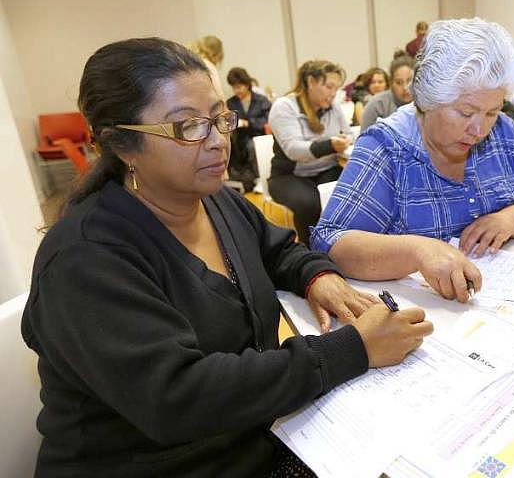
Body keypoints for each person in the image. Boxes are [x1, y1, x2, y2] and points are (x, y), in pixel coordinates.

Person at [21, 37, 432, 477]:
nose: (219, 141)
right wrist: (353, 350)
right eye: (188, 127)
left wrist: (318, 278)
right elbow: (179, 397)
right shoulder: (85, 260)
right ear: (121, 145)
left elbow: (280, 249)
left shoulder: (212, 199)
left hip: (250, 438)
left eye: (220, 118)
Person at [311, 18, 514, 304]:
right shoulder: (387, 149)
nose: (479, 130)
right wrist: (417, 251)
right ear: (426, 100)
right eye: (465, 112)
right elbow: (331, 242)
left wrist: (509, 219)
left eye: (491, 112)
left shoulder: (502, 133)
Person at [268, 60, 352, 245]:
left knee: (350, 192)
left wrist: (346, 139)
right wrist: (329, 145)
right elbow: (294, 150)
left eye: (336, 88)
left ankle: (342, 245)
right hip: (289, 175)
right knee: (309, 204)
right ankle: (312, 251)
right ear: (311, 82)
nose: (333, 93)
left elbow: (349, 133)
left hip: (326, 169)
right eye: (329, 86)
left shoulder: (333, 106)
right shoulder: (285, 106)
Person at [226, 67, 271, 192]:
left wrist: (248, 123)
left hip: (260, 137)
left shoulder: (261, 100)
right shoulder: (231, 103)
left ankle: (260, 179)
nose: (236, 91)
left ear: (247, 84)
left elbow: (268, 122)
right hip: (239, 139)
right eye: (234, 87)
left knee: (252, 146)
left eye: (239, 87)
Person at [360, 54, 415, 129]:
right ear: (391, 83)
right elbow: (364, 139)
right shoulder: (376, 105)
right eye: (399, 82)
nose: (405, 87)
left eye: (409, 81)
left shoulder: (428, 104)